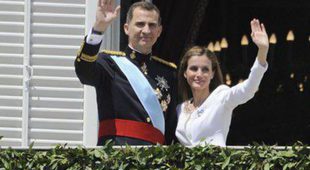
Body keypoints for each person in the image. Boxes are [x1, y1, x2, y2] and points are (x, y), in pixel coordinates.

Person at [75, 0, 178, 145]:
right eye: (140, 24)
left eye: (152, 25)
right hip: (117, 156)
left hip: (156, 160)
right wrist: (98, 29)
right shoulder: (109, 63)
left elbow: (171, 126)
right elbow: (84, 71)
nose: (146, 30)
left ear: (159, 31)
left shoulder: (168, 72)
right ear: (126, 28)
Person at [175, 19, 269, 147]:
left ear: (212, 74)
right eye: (193, 68)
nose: (199, 74)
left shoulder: (221, 97)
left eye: (205, 69)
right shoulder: (180, 108)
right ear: (185, 73)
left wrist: (262, 51)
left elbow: (249, 88)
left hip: (215, 165)